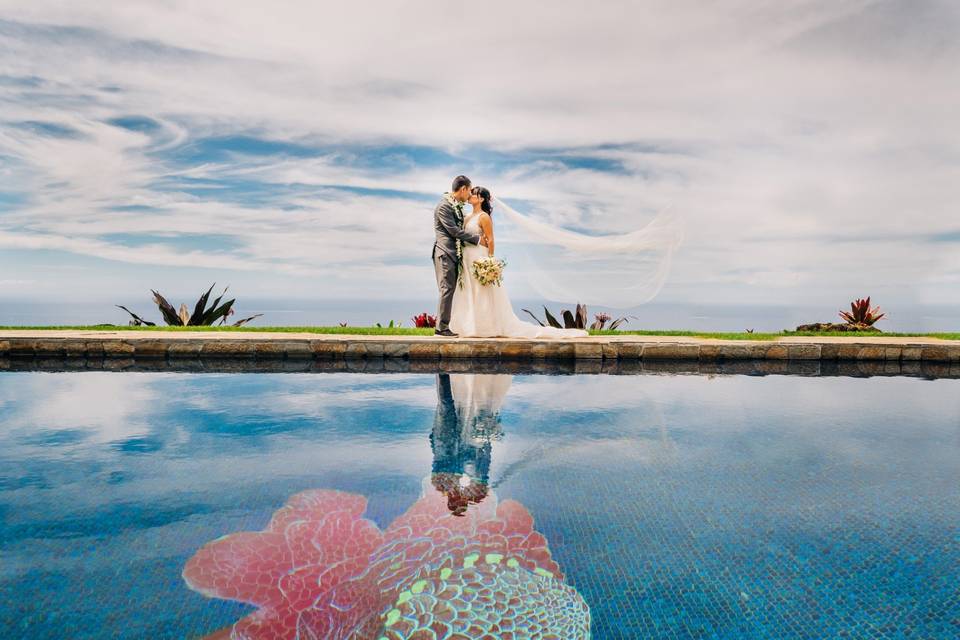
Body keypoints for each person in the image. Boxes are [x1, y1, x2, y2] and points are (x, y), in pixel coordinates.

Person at [449, 185, 589, 338]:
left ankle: (485, 327)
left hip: (479, 259)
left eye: (474, 194)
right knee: (468, 291)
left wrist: (489, 262)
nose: (470, 195)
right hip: (467, 258)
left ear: (481, 199)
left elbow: (491, 239)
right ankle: (469, 325)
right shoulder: (468, 216)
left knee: (481, 292)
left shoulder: (484, 217)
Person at [431, 175, 486, 337]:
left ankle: (444, 325)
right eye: (469, 190)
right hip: (445, 253)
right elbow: (454, 231)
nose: (469, 194)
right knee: (446, 289)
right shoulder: (444, 206)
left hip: (453, 254)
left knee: (450, 289)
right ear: (463, 189)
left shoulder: (455, 206)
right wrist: (477, 239)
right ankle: (441, 328)